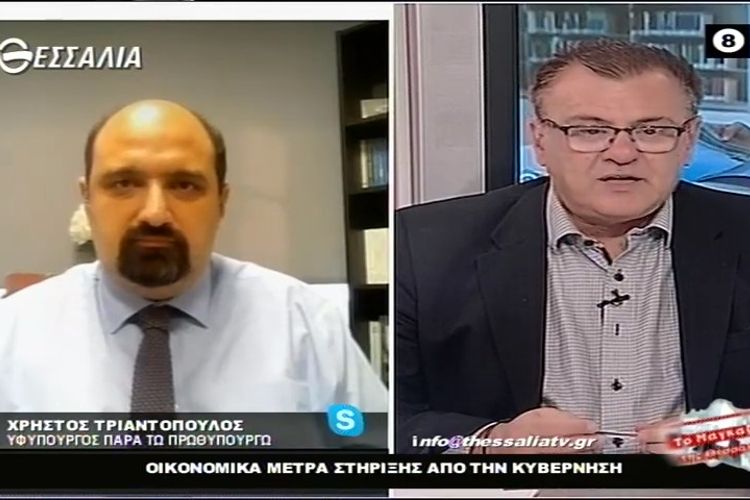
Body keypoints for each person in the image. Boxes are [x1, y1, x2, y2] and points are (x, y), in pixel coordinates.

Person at [396, 39, 750, 455]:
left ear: (688, 140)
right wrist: (486, 443)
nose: (623, 153)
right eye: (590, 131)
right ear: (540, 141)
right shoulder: (423, 246)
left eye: (652, 131)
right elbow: (386, 422)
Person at [0, 99, 387, 414]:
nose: (154, 213)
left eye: (184, 185)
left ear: (222, 201)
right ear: (87, 198)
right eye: (124, 183)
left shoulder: (305, 324)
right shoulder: (13, 334)